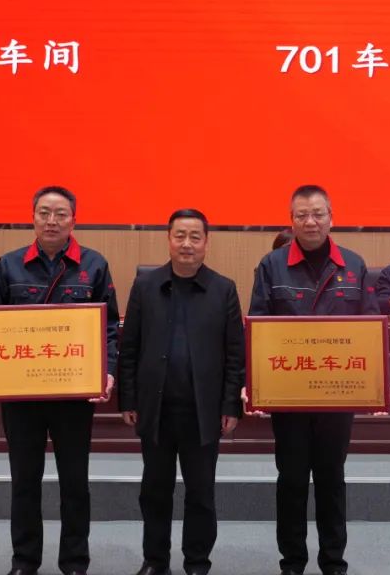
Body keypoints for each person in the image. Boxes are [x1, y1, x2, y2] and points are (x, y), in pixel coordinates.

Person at [0, 185, 118, 575]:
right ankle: (25, 561)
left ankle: (75, 561)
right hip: (22, 394)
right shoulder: (9, 265)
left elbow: (111, 327)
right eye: (44, 213)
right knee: (24, 481)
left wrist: (108, 370)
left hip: (73, 392)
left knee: (75, 482)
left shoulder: (94, 264)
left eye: (60, 214)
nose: (52, 221)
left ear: (74, 220)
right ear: (32, 218)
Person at [248, 185, 388, 575]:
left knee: (331, 479)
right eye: (302, 215)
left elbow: (369, 326)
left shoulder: (354, 265)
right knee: (291, 479)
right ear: (291, 220)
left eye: (318, 214)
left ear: (331, 217)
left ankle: (333, 562)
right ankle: (292, 562)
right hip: (289, 394)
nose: (310, 222)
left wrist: (379, 380)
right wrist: (254, 382)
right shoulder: (271, 265)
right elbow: (257, 324)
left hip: (335, 395)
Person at [118, 209, 245, 575]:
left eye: (194, 237)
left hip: (203, 411)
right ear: (169, 239)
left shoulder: (223, 289)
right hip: (155, 409)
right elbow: (130, 347)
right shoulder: (146, 286)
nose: (187, 244)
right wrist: (128, 399)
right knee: (154, 491)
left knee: (201, 493)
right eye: (180, 236)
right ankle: (155, 561)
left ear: (206, 242)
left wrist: (230, 405)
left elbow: (235, 354)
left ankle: (197, 562)